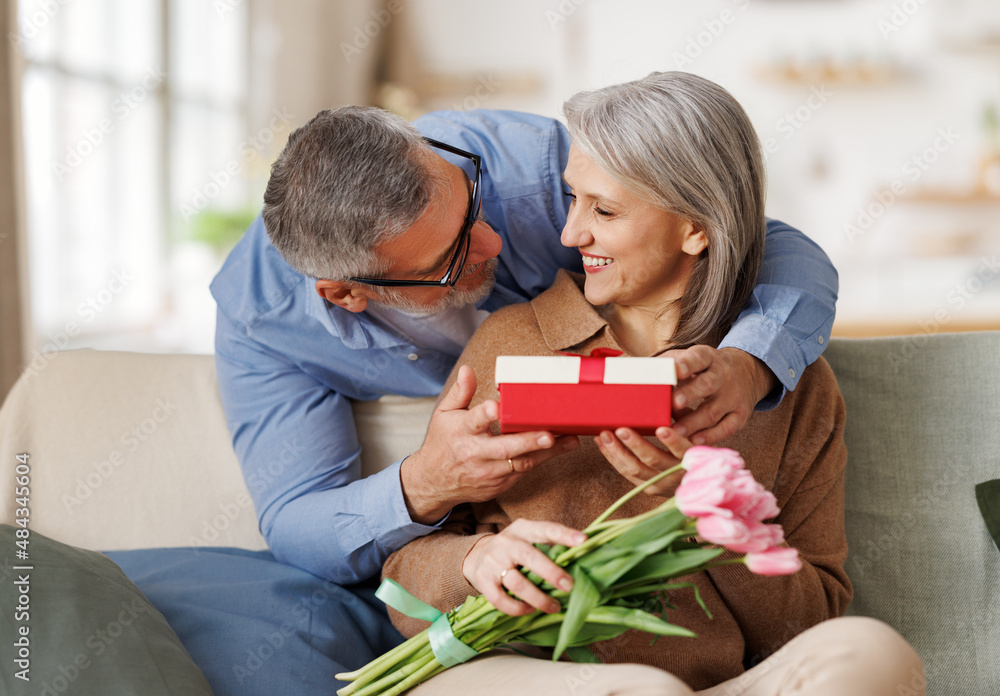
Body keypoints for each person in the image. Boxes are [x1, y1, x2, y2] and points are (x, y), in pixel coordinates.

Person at [382, 72, 923, 695]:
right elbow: (401, 585)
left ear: (697, 227)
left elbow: (809, 621)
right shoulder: (511, 342)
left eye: (604, 210)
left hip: (714, 685)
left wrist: (702, 514)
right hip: (531, 678)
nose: (569, 235)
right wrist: (472, 562)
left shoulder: (784, 384)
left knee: (872, 650)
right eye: (572, 200)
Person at [210, 104, 838, 589]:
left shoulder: (528, 166)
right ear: (347, 293)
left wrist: (751, 364)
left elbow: (753, 233)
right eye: (453, 255)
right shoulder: (263, 325)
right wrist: (425, 483)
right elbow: (295, 525)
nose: (492, 241)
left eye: (471, 204)